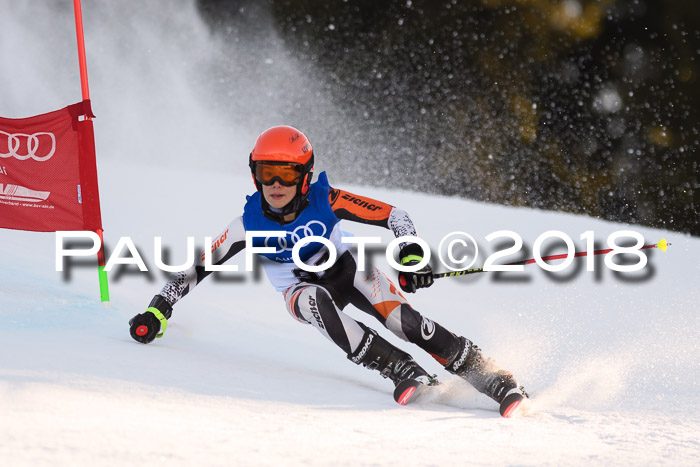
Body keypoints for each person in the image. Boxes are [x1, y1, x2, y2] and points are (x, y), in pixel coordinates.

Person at [129, 125, 527, 417]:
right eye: (266, 172)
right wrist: (158, 309)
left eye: (286, 173)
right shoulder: (247, 225)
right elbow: (194, 270)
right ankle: (400, 369)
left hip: (349, 268)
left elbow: (396, 216)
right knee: (316, 301)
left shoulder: (327, 200)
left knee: (403, 321)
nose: (275, 183)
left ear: (304, 176)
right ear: (255, 175)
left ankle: (491, 376)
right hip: (300, 292)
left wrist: (410, 255)